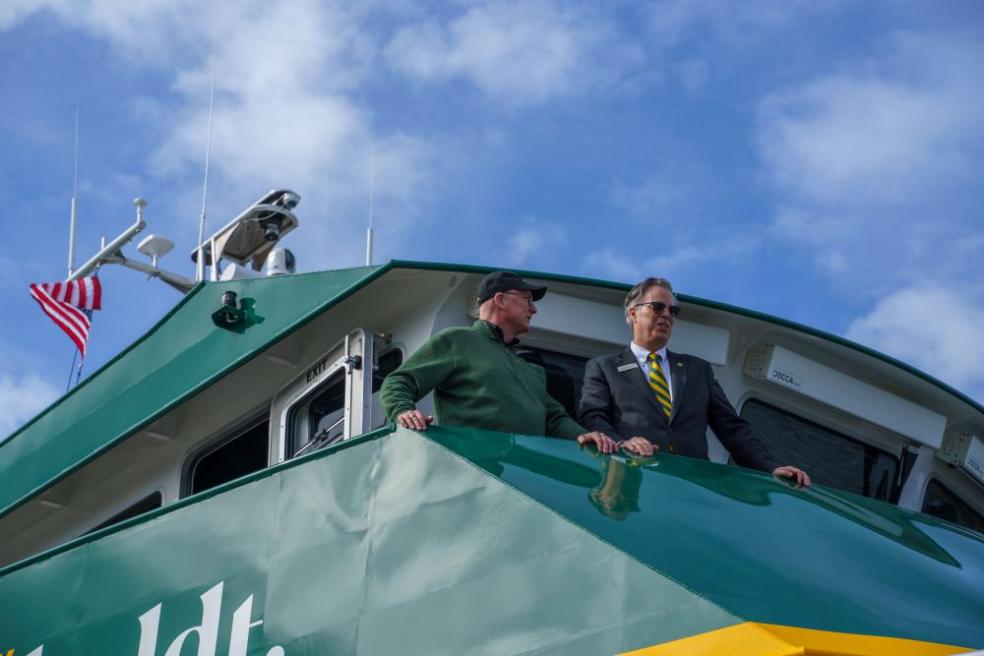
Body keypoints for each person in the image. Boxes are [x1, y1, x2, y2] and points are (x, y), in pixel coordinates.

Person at [578, 277, 811, 486]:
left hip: (692, 487)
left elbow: (732, 428)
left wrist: (770, 468)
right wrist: (621, 444)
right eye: (658, 307)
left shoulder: (697, 370)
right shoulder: (604, 367)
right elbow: (592, 416)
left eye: (673, 310)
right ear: (633, 313)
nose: (667, 315)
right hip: (634, 481)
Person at [380, 271, 631, 453]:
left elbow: (554, 418)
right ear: (500, 300)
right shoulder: (458, 340)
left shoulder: (531, 370)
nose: (533, 309)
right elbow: (399, 381)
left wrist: (585, 436)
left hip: (526, 476)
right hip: (473, 471)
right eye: (527, 300)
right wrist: (403, 410)